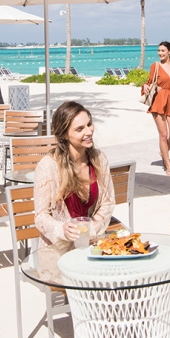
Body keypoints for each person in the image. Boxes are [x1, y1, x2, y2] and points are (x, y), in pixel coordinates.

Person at [34, 101, 115, 282]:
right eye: (79, 129)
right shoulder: (48, 166)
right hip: (58, 252)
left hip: (93, 244)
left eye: (89, 124)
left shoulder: (99, 159)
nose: (89, 131)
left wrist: (92, 228)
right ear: (64, 135)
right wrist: (62, 229)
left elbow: (108, 202)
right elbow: (40, 216)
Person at [141, 41, 170, 176]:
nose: (160, 53)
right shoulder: (155, 66)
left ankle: (163, 151)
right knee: (163, 135)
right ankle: (168, 165)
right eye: (159, 51)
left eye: (163, 51)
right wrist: (146, 86)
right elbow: (148, 83)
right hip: (159, 101)